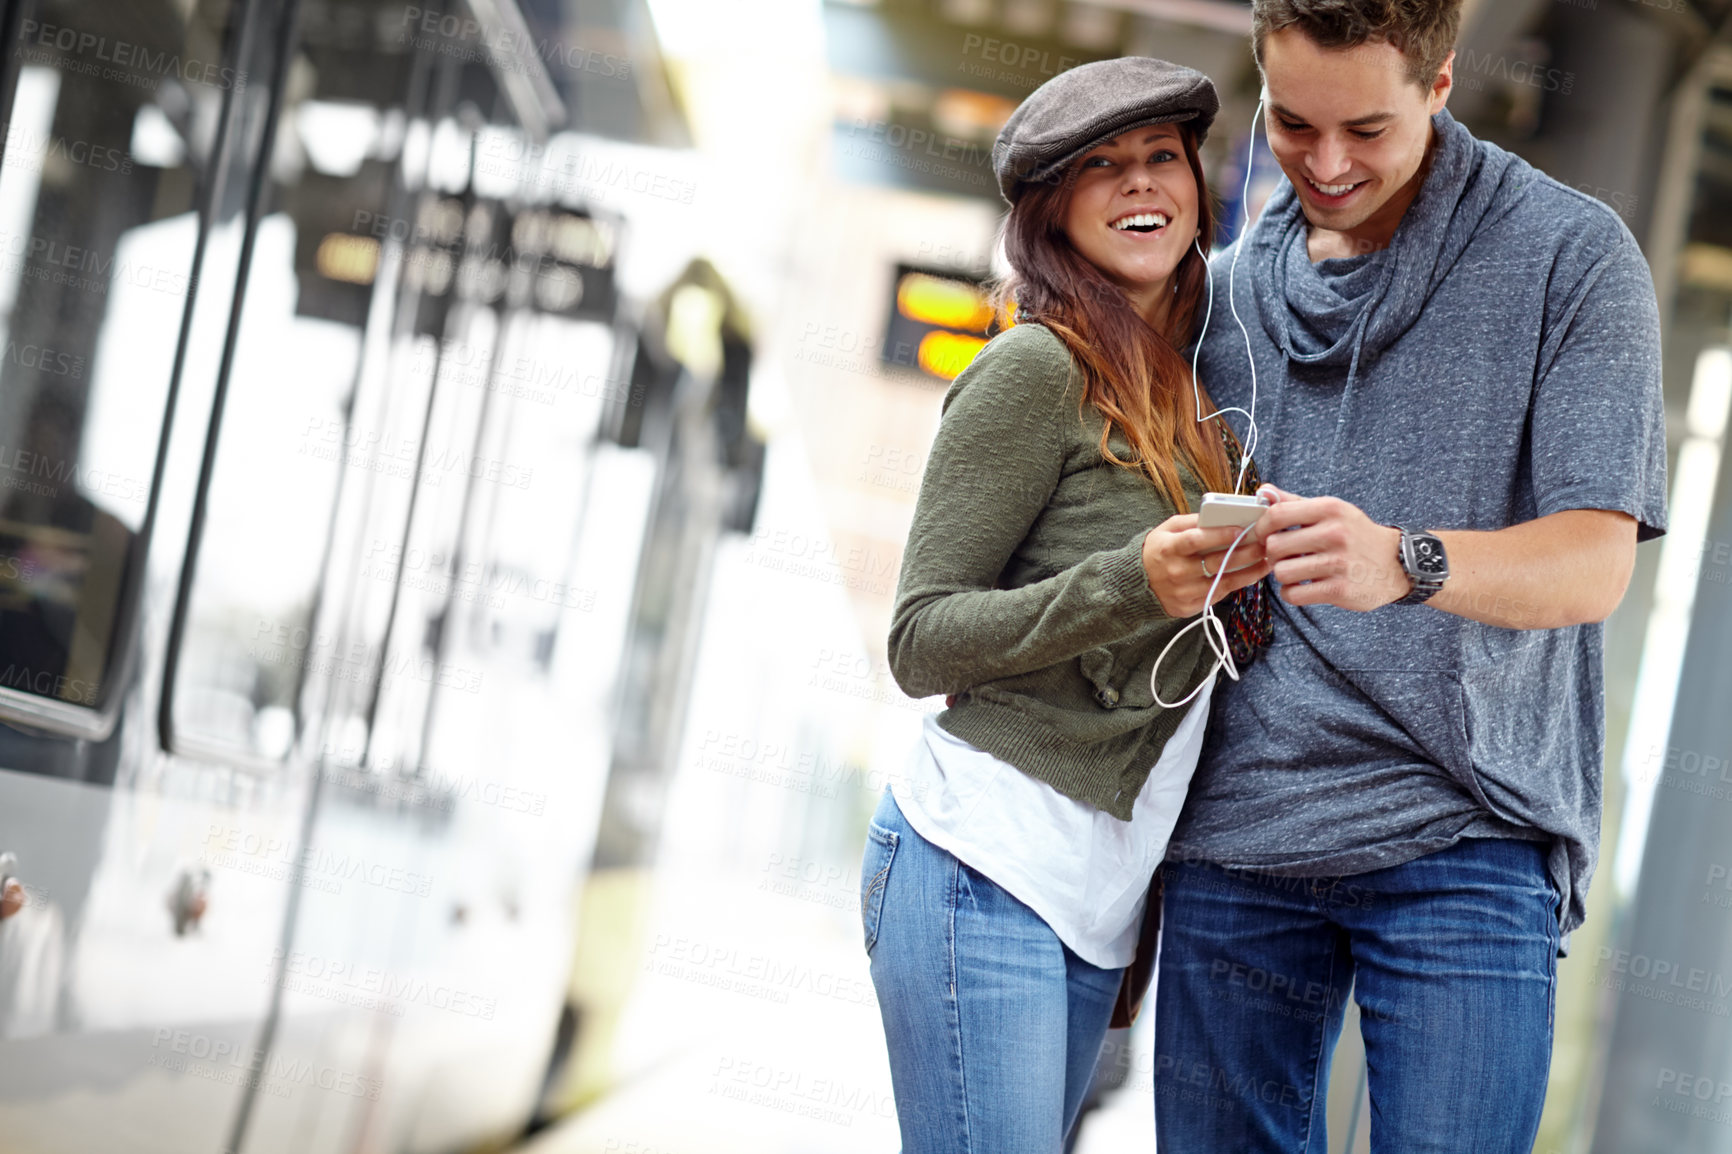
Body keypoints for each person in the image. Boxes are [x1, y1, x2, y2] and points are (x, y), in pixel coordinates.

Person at [1153, 2, 1669, 1151]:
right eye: (1293, 124)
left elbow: (1592, 563)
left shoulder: (1571, 258)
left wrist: (1405, 561)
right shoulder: (1220, 295)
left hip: (1468, 838)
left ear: (1439, 86)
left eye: (1368, 130)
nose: (1327, 164)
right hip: (1237, 835)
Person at [862, 57, 1271, 1153]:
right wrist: (1130, 580)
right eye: (1099, 168)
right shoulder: (1035, 370)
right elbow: (917, 636)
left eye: (1158, 159)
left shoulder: (1194, 392)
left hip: (1093, 907)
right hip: (981, 863)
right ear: (1052, 206)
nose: (1140, 187)